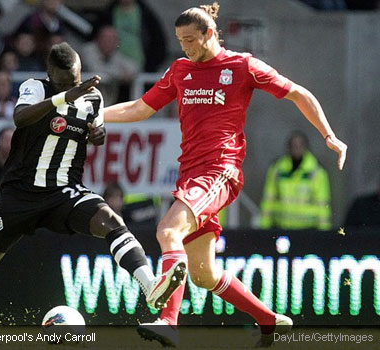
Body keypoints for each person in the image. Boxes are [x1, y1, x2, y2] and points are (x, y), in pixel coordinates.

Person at [104, 3, 347, 347]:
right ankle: (270, 320)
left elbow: (297, 93)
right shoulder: (180, 70)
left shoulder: (242, 65)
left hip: (220, 172)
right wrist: (97, 114)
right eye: (180, 40)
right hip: (192, 176)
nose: (185, 47)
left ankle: (168, 321)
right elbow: (139, 108)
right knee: (203, 274)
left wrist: (328, 135)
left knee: (167, 230)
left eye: (190, 39)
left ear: (210, 34)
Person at [0, 42, 186, 327]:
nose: (74, 86)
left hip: (64, 192)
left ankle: (150, 286)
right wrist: (63, 98)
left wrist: (98, 134)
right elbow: (20, 118)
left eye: (77, 79)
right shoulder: (36, 88)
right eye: (67, 82)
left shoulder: (92, 98)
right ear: (51, 75)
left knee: (111, 220)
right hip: (21, 194)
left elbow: (97, 132)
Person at [260, 131, 331, 230]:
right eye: (294, 145)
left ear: (306, 147)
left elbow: (322, 204)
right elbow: (268, 200)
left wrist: (324, 232)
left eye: (300, 145)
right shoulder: (278, 169)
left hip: (308, 229)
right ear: (288, 147)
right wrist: (264, 226)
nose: (297, 148)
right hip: (281, 226)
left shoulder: (316, 171)